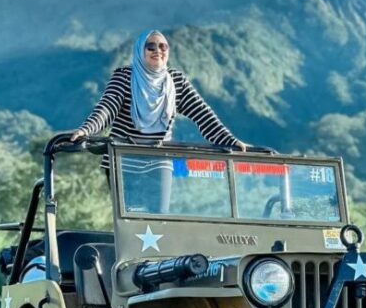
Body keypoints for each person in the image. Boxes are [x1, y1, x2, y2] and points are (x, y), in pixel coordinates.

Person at [71, 29, 248, 211]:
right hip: (123, 158)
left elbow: (203, 115)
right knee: (128, 219)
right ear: (140, 51)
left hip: (159, 157)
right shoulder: (124, 77)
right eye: (151, 46)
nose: (158, 50)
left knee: (159, 219)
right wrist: (86, 130)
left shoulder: (176, 81)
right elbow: (106, 108)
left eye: (163, 46)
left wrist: (230, 141)